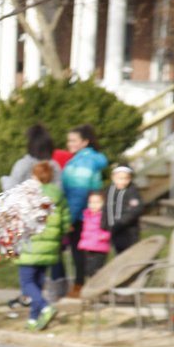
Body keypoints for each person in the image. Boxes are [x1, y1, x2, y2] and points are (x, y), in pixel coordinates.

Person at [13, 161, 69, 331]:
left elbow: (19, 220)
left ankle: (45, 307)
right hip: (50, 248)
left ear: (35, 176)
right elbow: (65, 222)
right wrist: (57, 239)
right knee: (37, 283)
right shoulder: (58, 195)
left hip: (31, 245)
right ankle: (33, 319)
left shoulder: (30, 195)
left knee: (27, 283)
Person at [59, 124, 107, 297]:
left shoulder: (84, 161)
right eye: (69, 140)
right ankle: (83, 285)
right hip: (81, 213)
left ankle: (79, 287)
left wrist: (69, 220)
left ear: (85, 142)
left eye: (73, 140)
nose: (69, 143)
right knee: (83, 252)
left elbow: (79, 192)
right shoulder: (82, 159)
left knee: (78, 252)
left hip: (80, 214)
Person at [3, 124, 61, 191]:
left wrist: (4, 179)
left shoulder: (22, 164)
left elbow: (10, 189)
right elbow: (58, 190)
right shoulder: (54, 165)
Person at [102, 165, 144, 254]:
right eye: (119, 178)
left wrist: (120, 223)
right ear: (113, 178)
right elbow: (105, 208)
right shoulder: (109, 190)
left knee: (130, 252)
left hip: (128, 231)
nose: (123, 181)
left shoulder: (132, 191)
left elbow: (135, 210)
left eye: (126, 179)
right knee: (118, 252)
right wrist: (104, 225)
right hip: (113, 230)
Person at [77, 190, 110, 280]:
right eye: (91, 202)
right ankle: (93, 287)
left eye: (97, 202)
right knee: (87, 270)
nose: (93, 205)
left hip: (99, 247)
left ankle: (98, 287)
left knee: (95, 270)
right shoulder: (87, 214)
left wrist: (104, 236)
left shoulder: (104, 216)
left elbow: (110, 229)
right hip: (88, 247)